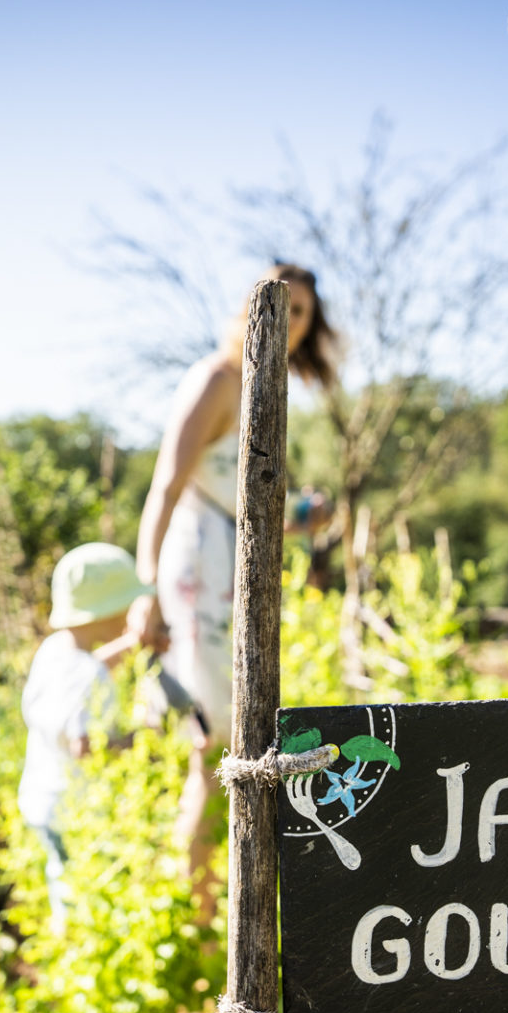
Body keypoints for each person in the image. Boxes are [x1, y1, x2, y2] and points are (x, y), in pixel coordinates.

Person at [127, 263, 337, 920]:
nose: (291, 320)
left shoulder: (264, 387)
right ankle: (195, 914)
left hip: (238, 569)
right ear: (249, 304)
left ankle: (209, 910)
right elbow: (168, 485)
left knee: (236, 739)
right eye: (280, 305)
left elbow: (247, 499)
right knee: (215, 745)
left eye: (302, 311)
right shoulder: (217, 378)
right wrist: (145, 590)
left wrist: (305, 516)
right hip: (197, 569)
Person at [18, 542, 155, 927]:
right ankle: (75, 945)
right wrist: (141, 738)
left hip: (42, 797)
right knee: (79, 892)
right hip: (72, 807)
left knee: (60, 877)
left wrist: (130, 646)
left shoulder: (55, 651)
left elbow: (85, 672)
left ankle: (70, 944)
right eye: (125, 607)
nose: (130, 617)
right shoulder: (86, 673)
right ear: (105, 611)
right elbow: (84, 745)